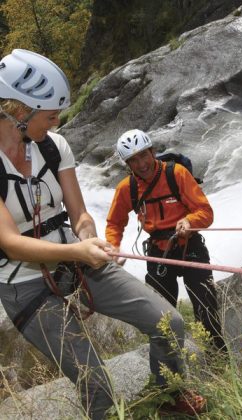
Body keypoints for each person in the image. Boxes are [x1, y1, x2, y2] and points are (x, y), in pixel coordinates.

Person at [0, 49, 204, 419]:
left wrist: (89, 235)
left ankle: (167, 395)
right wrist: (80, 253)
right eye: (49, 115)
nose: (57, 121)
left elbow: (77, 212)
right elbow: (11, 243)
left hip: (76, 259)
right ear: (19, 112)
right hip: (24, 283)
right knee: (95, 381)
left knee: (169, 322)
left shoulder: (52, 145)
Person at [106, 129, 227, 354]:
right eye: (133, 160)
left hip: (189, 247)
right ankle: (170, 370)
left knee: (206, 311)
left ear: (152, 152)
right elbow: (114, 223)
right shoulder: (127, 188)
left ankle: (218, 365)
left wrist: (190, 221)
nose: (141, 164)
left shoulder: (176, 174)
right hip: (158, 253)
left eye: (143, 155)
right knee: (160, 317)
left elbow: (205, 212)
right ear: (127, 164)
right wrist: (113, 246)